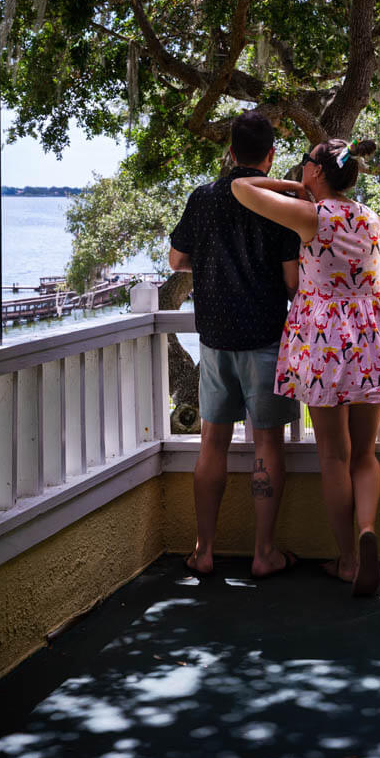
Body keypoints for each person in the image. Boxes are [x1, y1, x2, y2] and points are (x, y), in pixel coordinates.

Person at [231, 138, 380, 596]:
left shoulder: (314, 216)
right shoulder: (369, 217)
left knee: (334, 455)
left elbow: (242, 189)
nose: (302, 166)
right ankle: (368, 528)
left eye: (307, 162)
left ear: (317, 173)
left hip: (328, 343)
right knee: (365, 454)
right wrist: (310, 179)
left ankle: (348, 560)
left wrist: (293, 185)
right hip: (371, 338)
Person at [168, 111, 301, 579]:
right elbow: (291, 281)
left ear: (229, 151)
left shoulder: (202, 199)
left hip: (215, 341)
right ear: (271, 156)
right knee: (266, 445)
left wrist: (210, 265)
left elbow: (176, 258)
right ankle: (264, 553)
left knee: (212, 443)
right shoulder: (277, 204)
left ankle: (203, 551)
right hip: (265, 340)